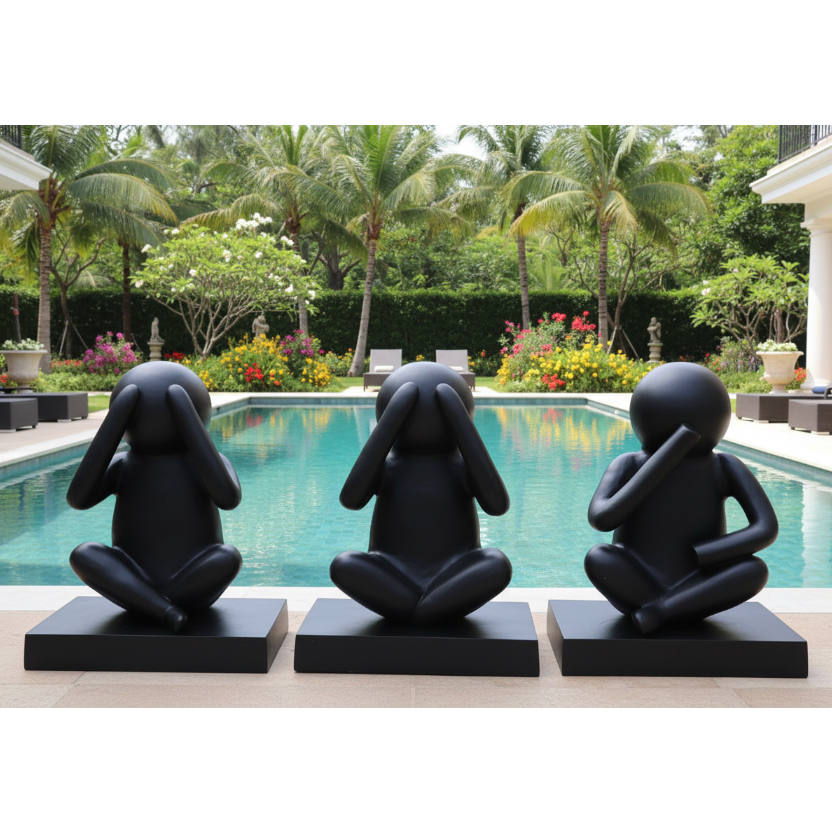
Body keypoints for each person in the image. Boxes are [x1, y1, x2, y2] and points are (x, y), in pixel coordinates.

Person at [584, 363, 776, 634]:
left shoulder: (724, 466)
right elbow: (602, 519)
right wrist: (667, 456)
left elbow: (765, 528)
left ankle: (662, 610)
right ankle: (669, 608)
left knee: (754, 570)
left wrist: (709, 553)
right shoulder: (628, 464)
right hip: (639, 573)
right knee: (598, 557)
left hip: (700, 577)